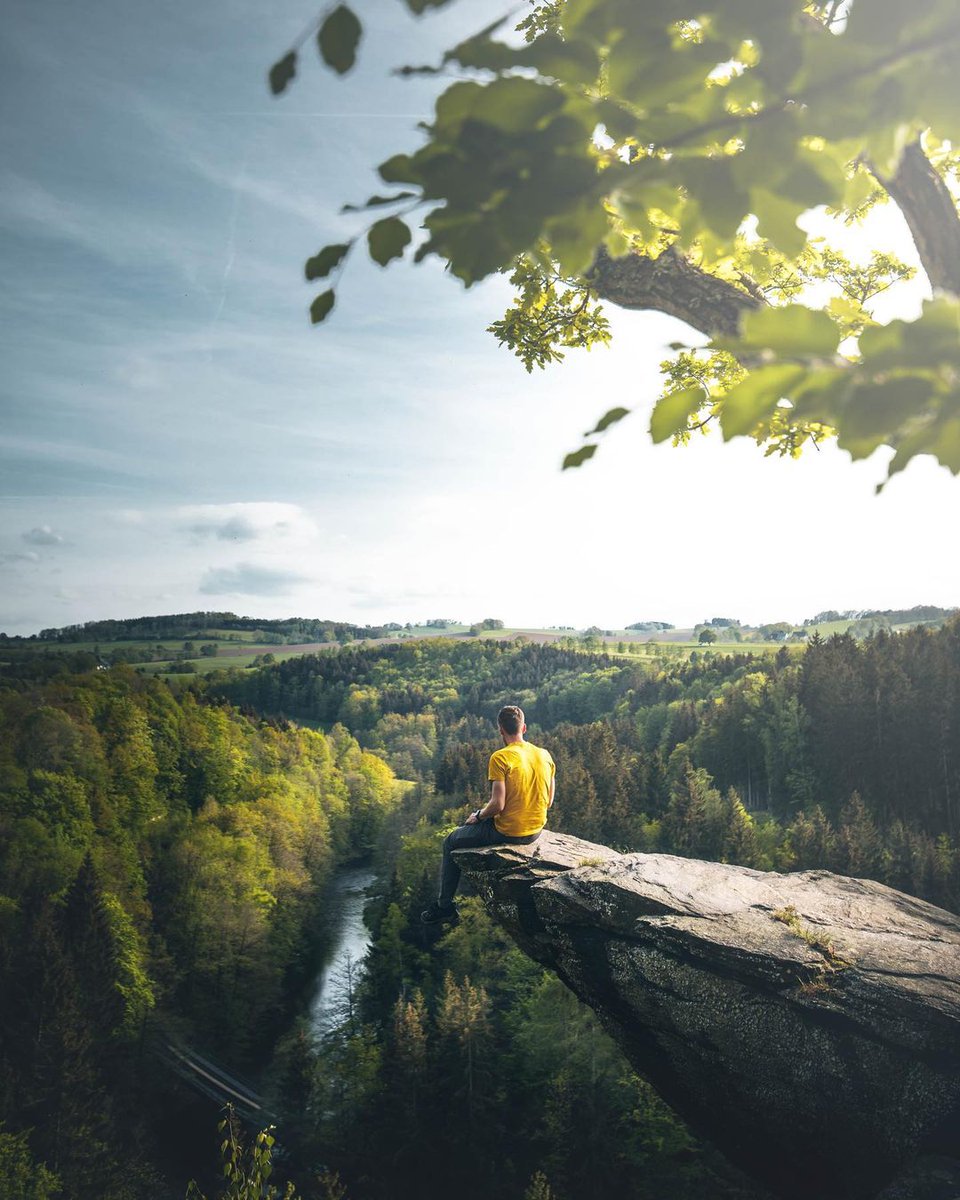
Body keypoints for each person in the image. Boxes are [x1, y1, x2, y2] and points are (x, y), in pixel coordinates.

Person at [421, 704, 555, 925]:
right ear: (524, 728)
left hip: (509, 832)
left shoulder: (500, 758)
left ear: (500, 729)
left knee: (450, 841)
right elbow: (548, 801)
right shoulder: (544, 755)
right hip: (535, 832)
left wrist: (479, 816)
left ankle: (444, 907)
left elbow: (498, 805)